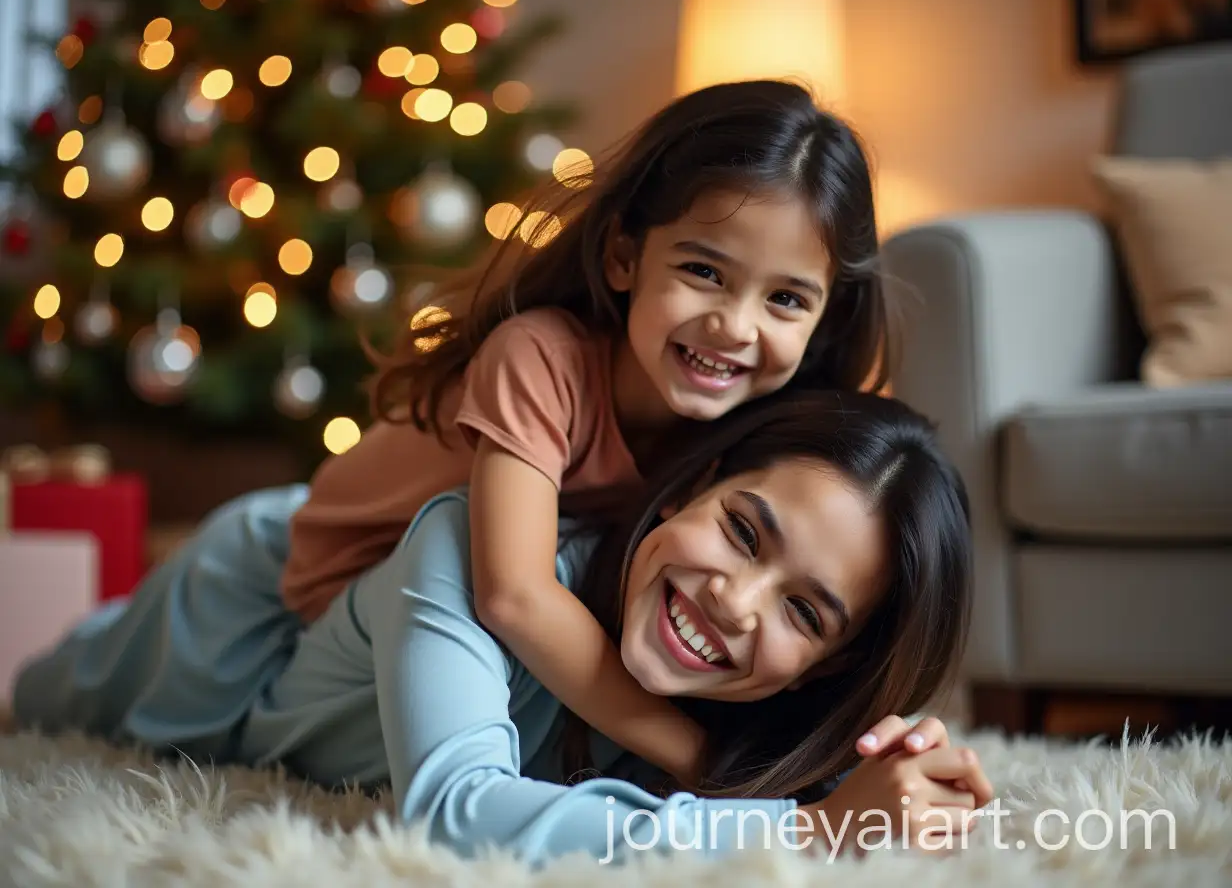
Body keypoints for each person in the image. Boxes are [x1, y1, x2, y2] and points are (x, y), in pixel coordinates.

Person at [9, 79, 892, 789]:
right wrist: (709, 765)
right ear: (624, 257)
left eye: (786, 299)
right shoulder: (540, 358)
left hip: (388, 628)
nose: (736, 327)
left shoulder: (764, 438)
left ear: (826, 315)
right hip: (267, 588)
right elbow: (514, 597)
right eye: (704, 271)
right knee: (71, 708)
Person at [12, 391, 991, 866]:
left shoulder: (742, 706)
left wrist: (885, 780)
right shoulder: (468, 545)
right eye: (741, 531)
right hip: (235, 619)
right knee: (37, 695)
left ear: (824, 669)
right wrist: (814, 829)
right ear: (686, 488)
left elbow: (841, 783)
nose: (736, 602)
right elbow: (454, 809)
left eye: (803, 611)